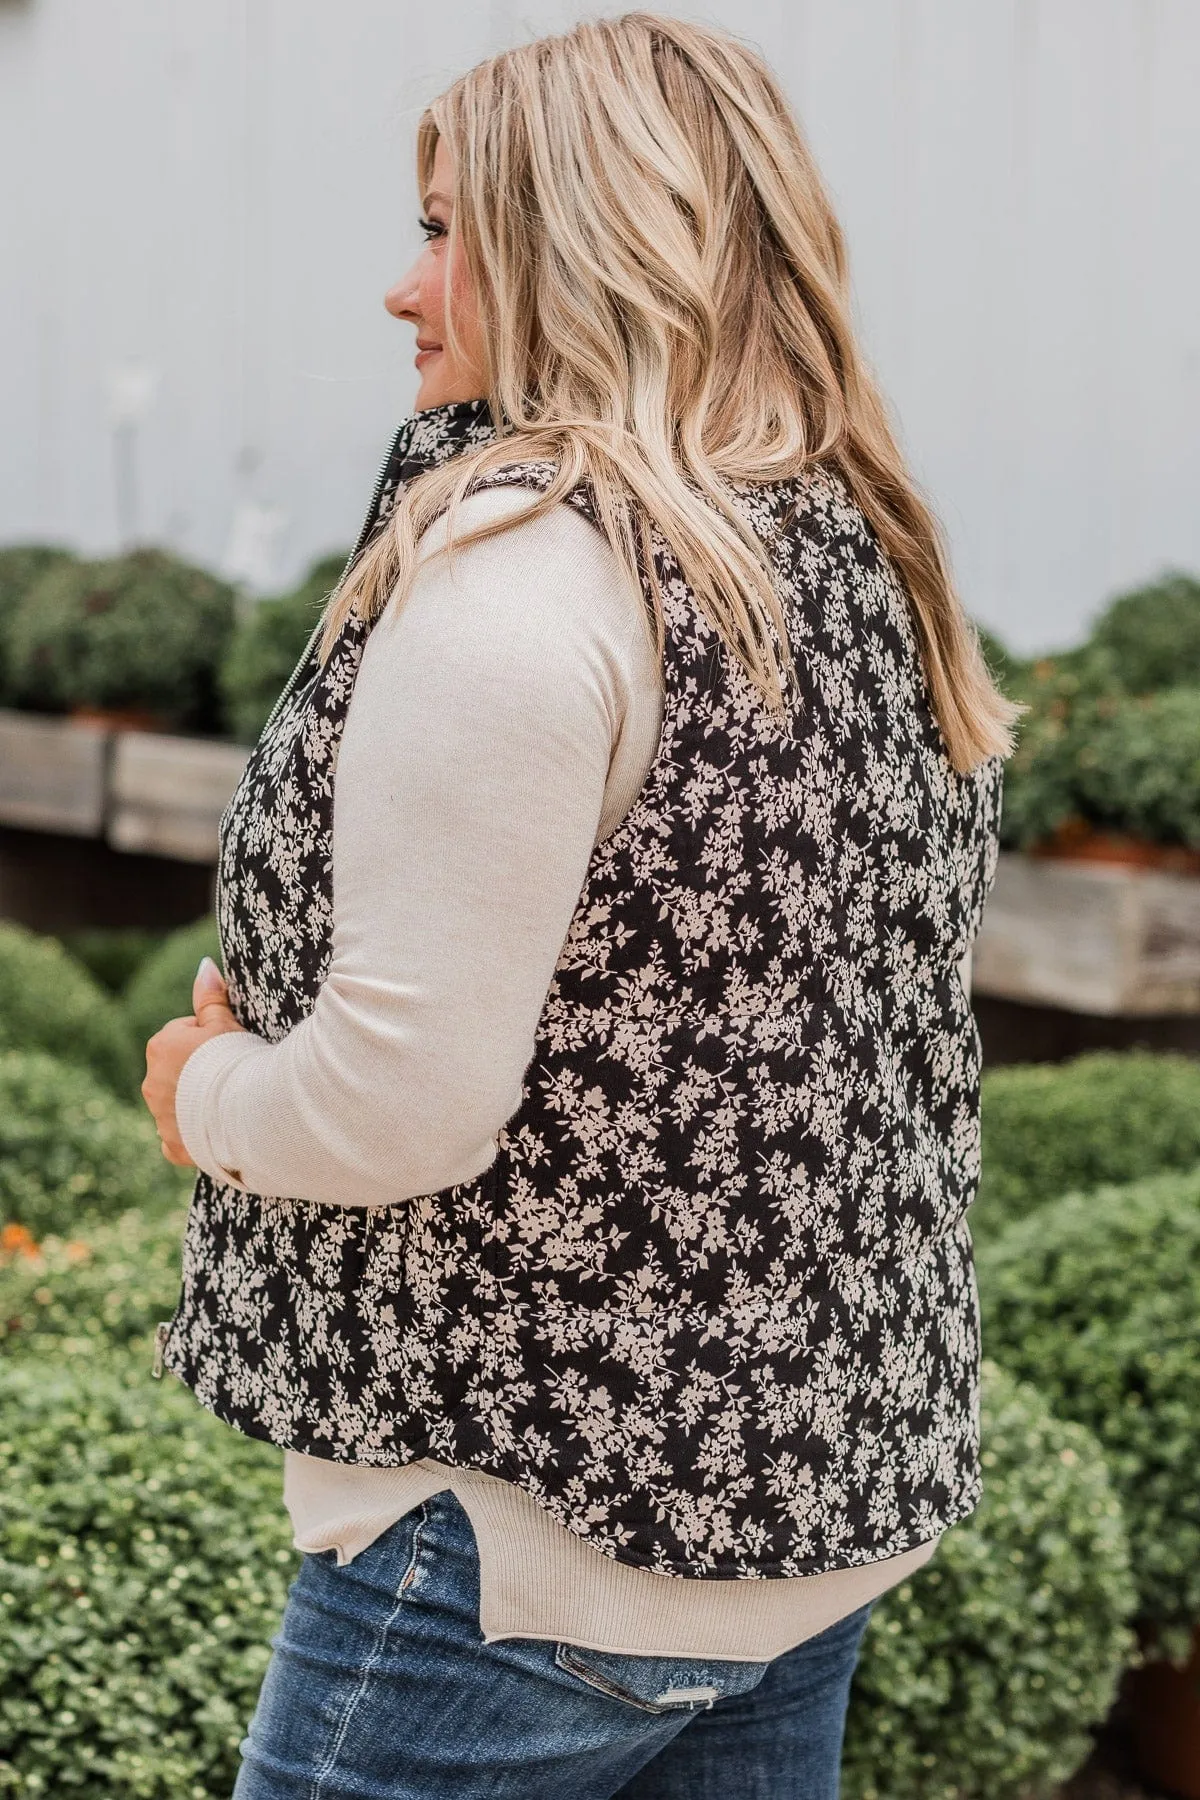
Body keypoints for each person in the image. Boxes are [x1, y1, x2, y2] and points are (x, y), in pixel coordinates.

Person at [141, 14, 1013, 1798]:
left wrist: (205, 1099)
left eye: (450, 229)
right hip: (796, 1505)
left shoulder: (527, 581)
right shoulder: (852, 549)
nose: (404, 285)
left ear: (588, 241)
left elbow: (398, 1103)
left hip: (517, 1540)